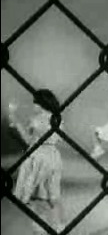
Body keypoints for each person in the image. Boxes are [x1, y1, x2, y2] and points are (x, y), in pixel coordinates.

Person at [8, 89, 65, 235]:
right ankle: (60, 226)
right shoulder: (58, 118)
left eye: (35, 102)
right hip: (53, 156)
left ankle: (39, 228)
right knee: (53, 197)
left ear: (41, 103)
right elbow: (58, 138)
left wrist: (14, 117)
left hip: (37, 157)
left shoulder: (35, 120)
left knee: (32, 196)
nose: (33, 104)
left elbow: (27, 140)